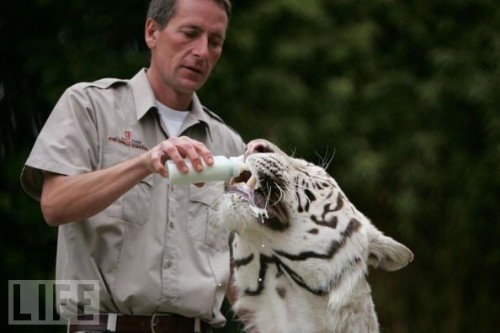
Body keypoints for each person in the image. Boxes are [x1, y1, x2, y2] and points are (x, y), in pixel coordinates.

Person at [20, 0, 245, 332]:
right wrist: (144, 163)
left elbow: (238, 267)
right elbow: (54, 205)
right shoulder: (89, 106)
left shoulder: (229, 145)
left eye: (214, 41)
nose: (201, 51)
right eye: (190, 33)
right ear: (152, 31)